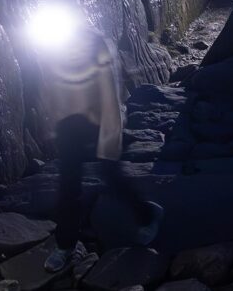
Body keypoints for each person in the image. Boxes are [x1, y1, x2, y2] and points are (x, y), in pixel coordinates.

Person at [36, 24, 163, 273]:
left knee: (112, 177)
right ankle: (65, 245)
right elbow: (50, 86)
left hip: (98, 123)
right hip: (69, 126)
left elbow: (109, 95)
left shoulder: (97, 45)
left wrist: (110, 138)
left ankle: (148, 214)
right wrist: (53, 122)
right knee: (68, 187)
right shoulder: (54, 49)